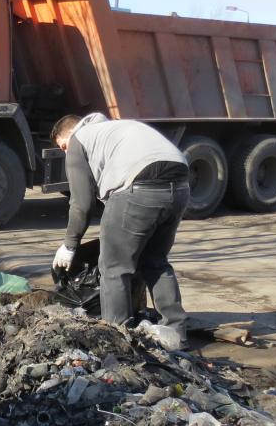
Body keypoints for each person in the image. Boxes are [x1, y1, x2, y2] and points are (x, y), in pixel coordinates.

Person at [50, 113, 191, 342]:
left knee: (114, 268)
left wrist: (69, 245)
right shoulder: (118, 128)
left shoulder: (80, 139)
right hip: (181, 186)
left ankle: (116, 338)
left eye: (63, 147)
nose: (67, 153)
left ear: (69, 135)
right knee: (155, 261)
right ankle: (176, 332)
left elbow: (81, 204)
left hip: (139, 188)